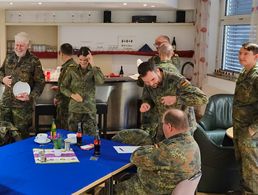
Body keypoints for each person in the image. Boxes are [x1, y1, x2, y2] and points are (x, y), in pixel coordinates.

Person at [113, 61, 207, 145]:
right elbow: (147, 98)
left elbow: (203, 98)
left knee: (178, 158)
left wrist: (176, 99)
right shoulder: (148, 82)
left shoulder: (176, 80)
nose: (151, 84)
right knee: (161, 154)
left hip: (182, 126)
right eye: (146, 82)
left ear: (157, 71)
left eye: (153, 79)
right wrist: (147, 104)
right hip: (163, 125)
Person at [114, 108, 201, 195]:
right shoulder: (193, 144)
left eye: (163, 123)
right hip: (172, 188)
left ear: (169, 127)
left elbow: (135, 157)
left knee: (108, 190)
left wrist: (151, 147)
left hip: (149, 191)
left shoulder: (167, 150)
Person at [0, 32, 45, 138]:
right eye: (17, 45)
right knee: (3, 136)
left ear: (27, 45)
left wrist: (30, 96)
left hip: (23, 108)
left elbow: (40, 82)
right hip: (6, 104)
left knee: (20, 137)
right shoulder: (9, 57)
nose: (18, 48)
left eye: (21, 45)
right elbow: (1, 72)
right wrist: (3, 79)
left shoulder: (34, 61)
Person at [60, 47, 105, 135]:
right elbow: (63, 87)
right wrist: (72, 95)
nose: (83, 62)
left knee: (90, 139)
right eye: (81, 59)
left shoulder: (95, 70)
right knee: (73, 137)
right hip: (75, 109)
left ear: (90, 59)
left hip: (89, 110)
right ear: (78, 59)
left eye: (86, 60)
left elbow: (100, 82)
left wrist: (93, 64)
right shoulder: (71, 70)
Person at [233, 42, 258, 194]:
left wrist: (253, 129)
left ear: (256, 56)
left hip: (251, 132)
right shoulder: (244, 72)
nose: (241, 57)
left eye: (245, 54)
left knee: (251, 169)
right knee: (241, 164)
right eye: (240, 53)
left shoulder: (256, 77)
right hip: (239, 127)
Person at [53, 43, 77, 130]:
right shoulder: (75, 66)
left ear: (61, 53)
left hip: (65, 103)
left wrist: (57, 97)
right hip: (73, 102)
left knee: (63, 129)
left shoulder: (67, 67)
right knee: (71, 128)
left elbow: (64, 86)